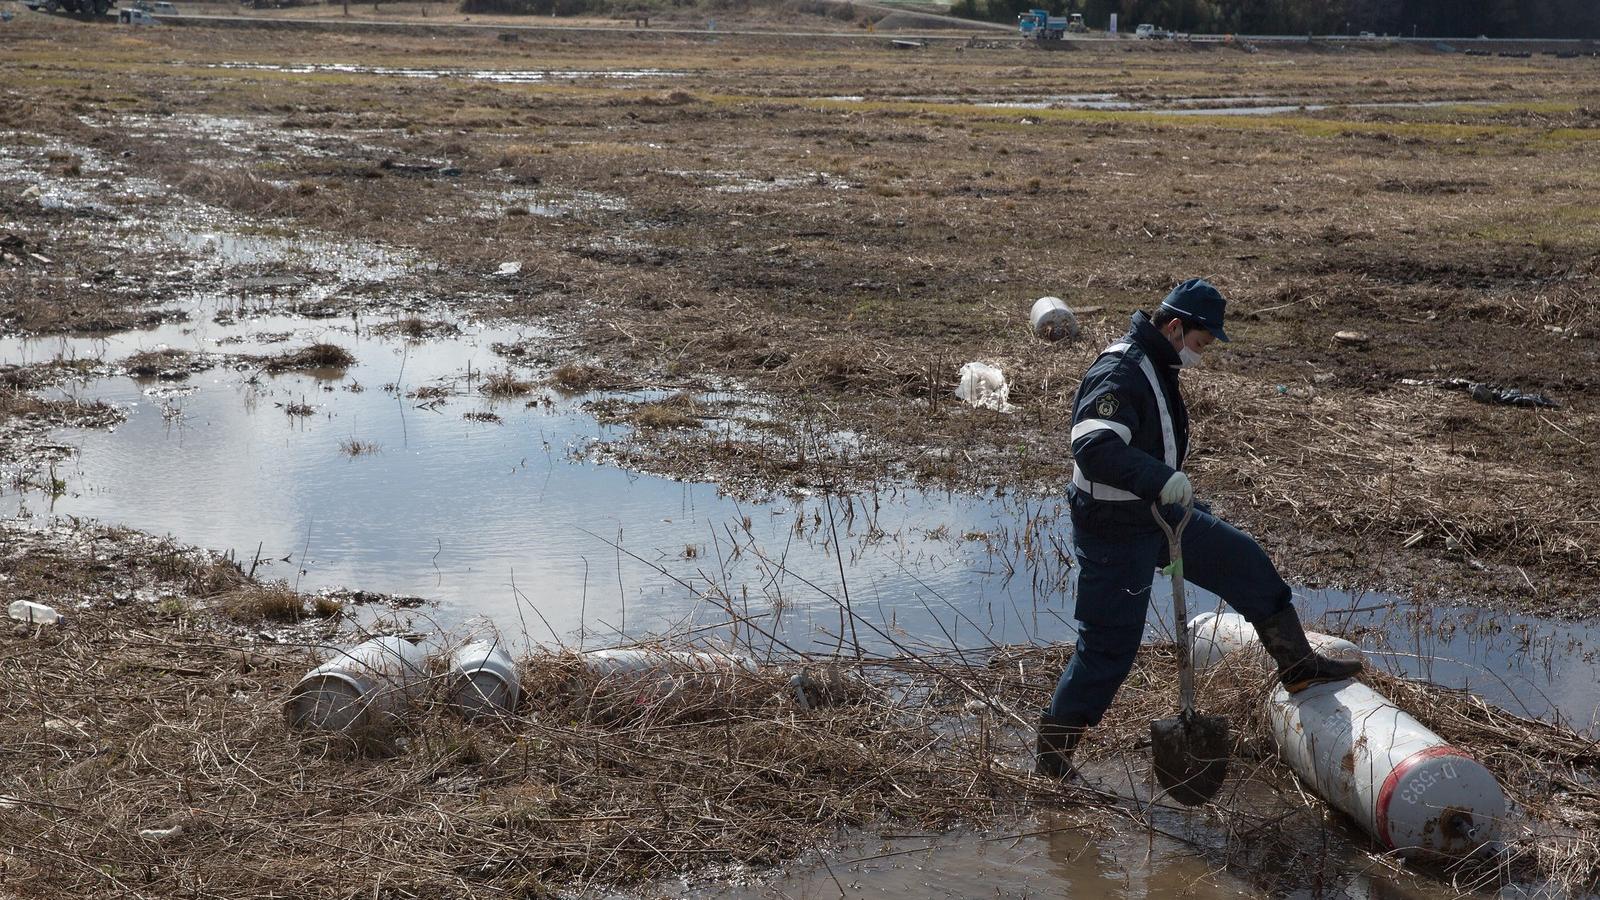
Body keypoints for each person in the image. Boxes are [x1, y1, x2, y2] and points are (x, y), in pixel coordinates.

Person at [1037, 278, 1363, 778]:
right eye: (1199, 343)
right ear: (1173, 327)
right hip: (1113, 530)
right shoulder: (1122, 369)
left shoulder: (1158, 362)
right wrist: (1161, 477)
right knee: (1108, 648)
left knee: (1244, 560)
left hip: (1155, 514)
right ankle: (1053, 759)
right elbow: (1094, 446)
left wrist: (1164, 486)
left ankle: (1298, 666)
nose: (1199, 354)